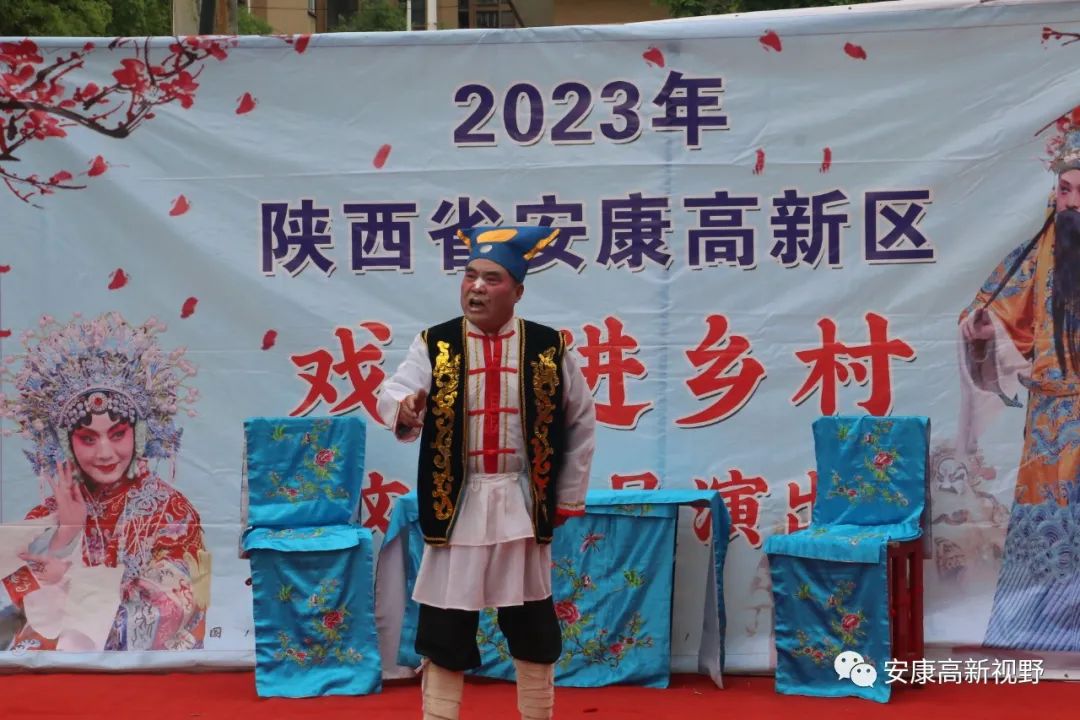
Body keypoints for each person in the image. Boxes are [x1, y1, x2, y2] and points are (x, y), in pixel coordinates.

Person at [378, 226, 596, 720]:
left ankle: (537, 714)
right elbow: (395, 391)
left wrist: (566, 495)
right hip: (457, 502)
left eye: (491, 279)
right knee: (444, 622)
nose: (476, 288)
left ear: (517, 291)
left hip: (522, 500)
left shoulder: (549, 347)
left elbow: (580, 421)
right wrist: (406, 408)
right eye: (470, 275)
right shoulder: (435, 343)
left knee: (532, 621)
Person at [0, 312, 210, 651]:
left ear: (138, 435)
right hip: (55, 669)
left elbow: (172, 608)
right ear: (66, 443)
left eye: (117, 434)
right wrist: (65, 537)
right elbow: (13, 612)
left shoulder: (169, 511)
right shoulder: (51, 513)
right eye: (87, 438)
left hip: (142, 669)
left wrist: (66, 584)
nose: (105, 453)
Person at [958, 122, 1080, 651]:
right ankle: (1043, 631)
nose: (1071, 201)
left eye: (1079, 190)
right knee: (1049, 524)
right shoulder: (1039, 252)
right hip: (1053, 420)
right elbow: (997, 315)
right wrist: (987, 331)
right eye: (1065, 189)